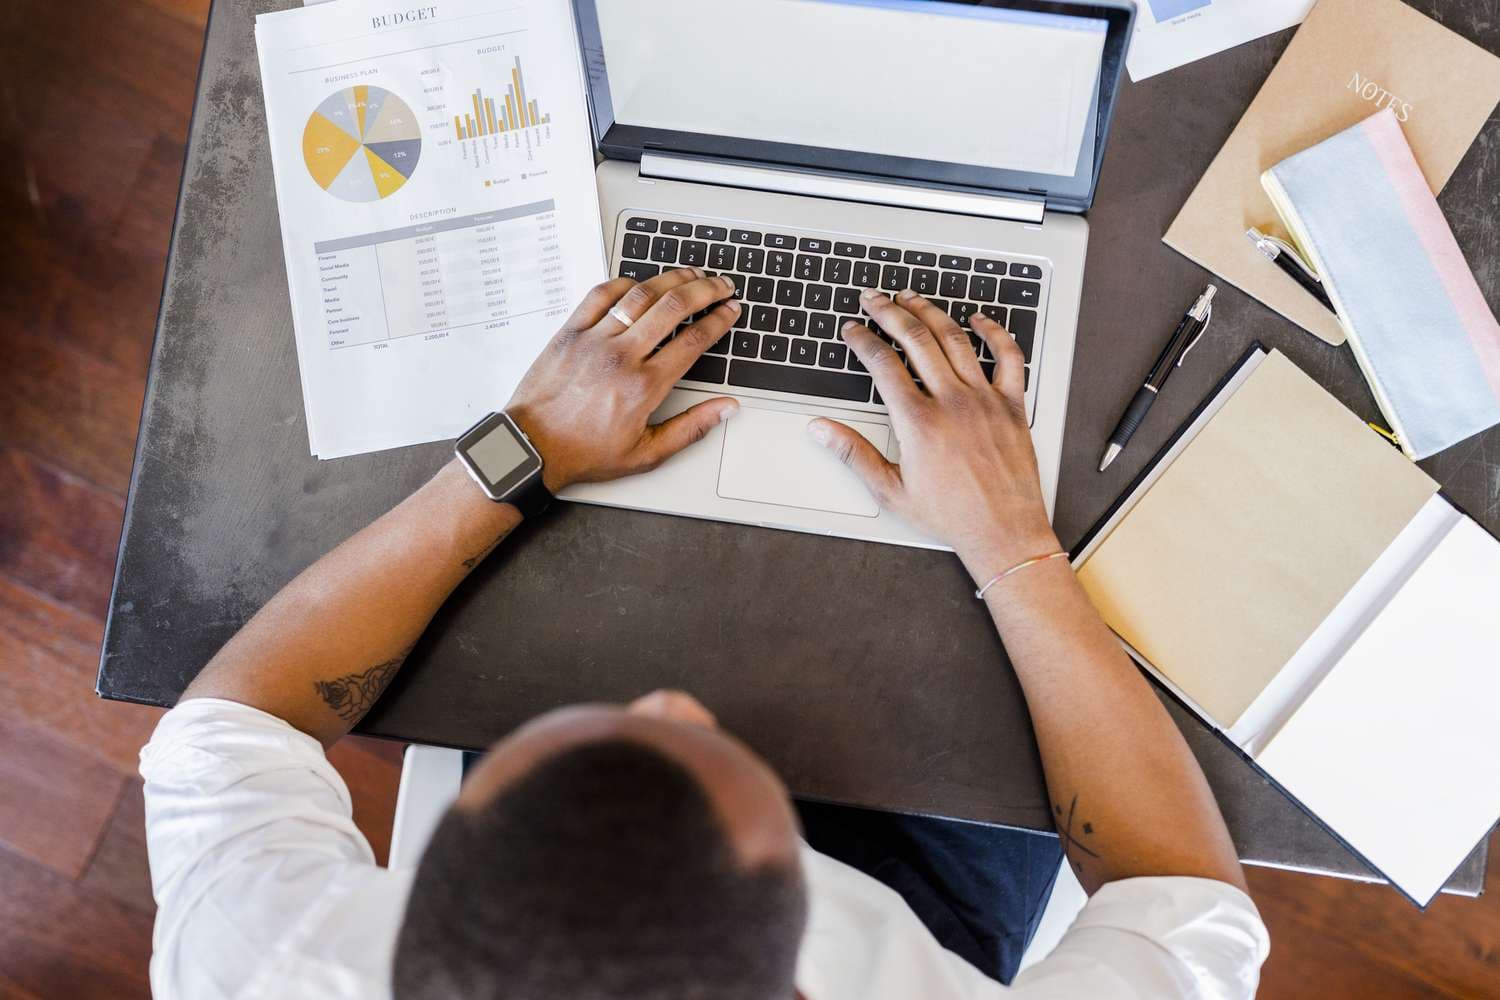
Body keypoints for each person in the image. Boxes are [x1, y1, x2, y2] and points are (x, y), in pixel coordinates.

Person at [140, 268, 1269, 999]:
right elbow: (1188, 905)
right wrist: (1013, 542)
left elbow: (230, 731)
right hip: (933, 898)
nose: (675, 702)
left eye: (572, 764)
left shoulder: (273, 963)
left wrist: (521, 449)